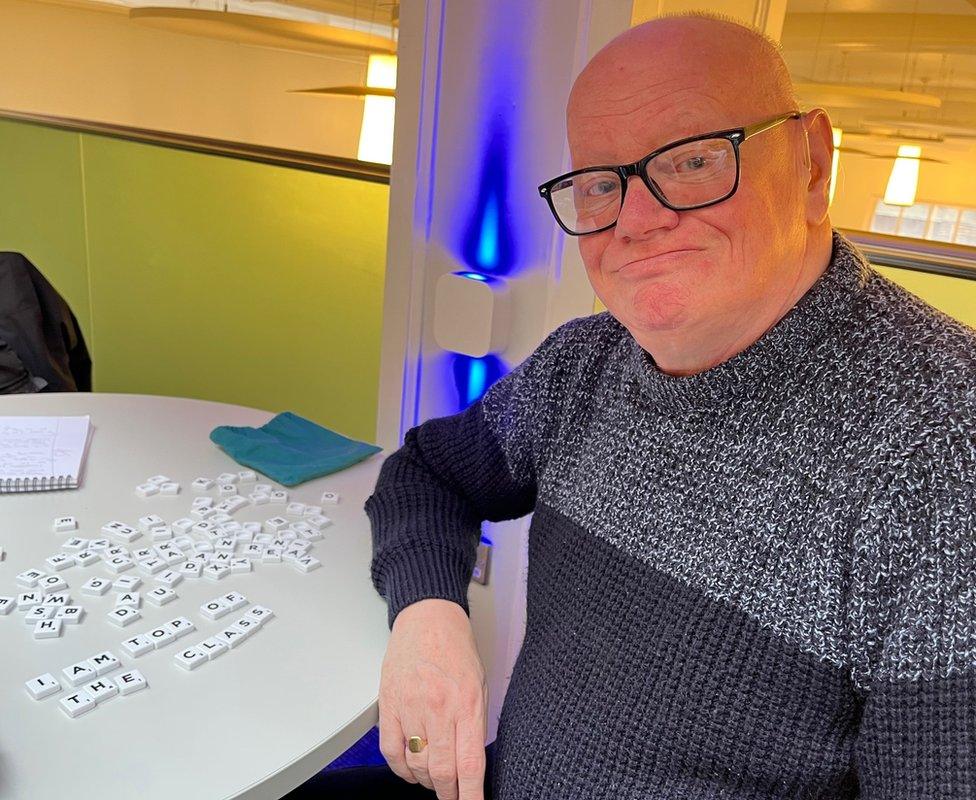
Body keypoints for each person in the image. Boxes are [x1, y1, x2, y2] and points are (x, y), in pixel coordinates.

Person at [322, 10, 976, 800]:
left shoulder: (943, 442)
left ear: (812, 162)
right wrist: (428, 618)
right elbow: (427, 472)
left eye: (695, 160)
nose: (636, 219)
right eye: (600, 183)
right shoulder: (587, 360)